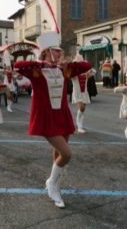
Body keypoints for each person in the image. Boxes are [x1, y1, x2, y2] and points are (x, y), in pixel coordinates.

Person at [15, 33, 91, 208]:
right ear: (47, 52)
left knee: (58, 153)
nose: (60, 54)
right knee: (67, 154)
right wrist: (42, 63)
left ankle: (55, 185)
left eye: (60, 52)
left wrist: (67, 63)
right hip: (46, 118)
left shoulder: (64, 69)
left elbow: (86, 65)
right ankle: (52, 184)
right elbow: (18, 65)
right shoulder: (36, 70)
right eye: (57, 52)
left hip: (62, 116)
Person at [71, 54, 96, 133]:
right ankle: (79, 126)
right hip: (77, 93)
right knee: (81, 108)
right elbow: (67, 74)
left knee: (83, 110)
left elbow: (94, 71)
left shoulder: (86, 74)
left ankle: (80, 124)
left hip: (84, 93)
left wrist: (87, 70)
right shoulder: (74, 75)